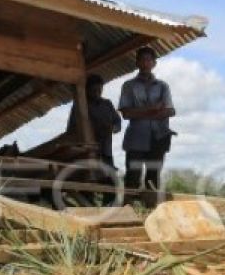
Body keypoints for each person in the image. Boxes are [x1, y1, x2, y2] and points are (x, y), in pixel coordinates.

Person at [118, 46, 176, 205]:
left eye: (149, 59)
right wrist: (152, 109)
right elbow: (126, 114)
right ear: (137, 62)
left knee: (153, 177)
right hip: (136, 138)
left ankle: (151, 214)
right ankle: (127, 213)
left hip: (159, 137)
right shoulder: (128, 85)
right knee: (132, 176)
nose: (145, 62)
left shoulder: (163, 86)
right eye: (142, 59)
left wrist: (141, 113)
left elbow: (170, 111)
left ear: (154, 63)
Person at [66, 73, 122, 167]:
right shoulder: (80, 105)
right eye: (94, 90)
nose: (97, 92)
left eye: (99, 90)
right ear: (87, 90)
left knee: (109, 178)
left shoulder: (107, 104)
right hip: (87, 153)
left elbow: (118, 122)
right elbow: (71, 130)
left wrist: (113, 128)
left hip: (106, 152)